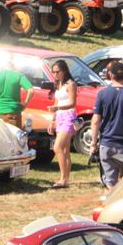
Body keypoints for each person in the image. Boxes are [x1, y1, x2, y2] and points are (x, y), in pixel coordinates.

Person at [88, 61, 123, 191]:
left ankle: (112, 201)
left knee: (110, 181)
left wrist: (93, 143)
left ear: (111, 75)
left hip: (107, 142)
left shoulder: (102, 94)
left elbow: (96, 120)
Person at [46, 60, 77, 189]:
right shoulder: (58, 84)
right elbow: (56, 102)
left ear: (64, 71)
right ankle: (65, 179)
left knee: (57, 147)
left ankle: (63, 179)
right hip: (59, 117)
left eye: (57, 71)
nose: (55, 74)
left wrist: (58, 108)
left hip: (69, 116)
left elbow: (73, 103)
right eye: (53, 72)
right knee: (65, 150)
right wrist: (52, 120)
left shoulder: (71, 84)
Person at [0, 65, 34, 129]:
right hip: (13, 113)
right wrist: (25, 103)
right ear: (15, 67)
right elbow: (31, 91)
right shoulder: (18, 76)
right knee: (15, 137)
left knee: (2, 136)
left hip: (0, 113)